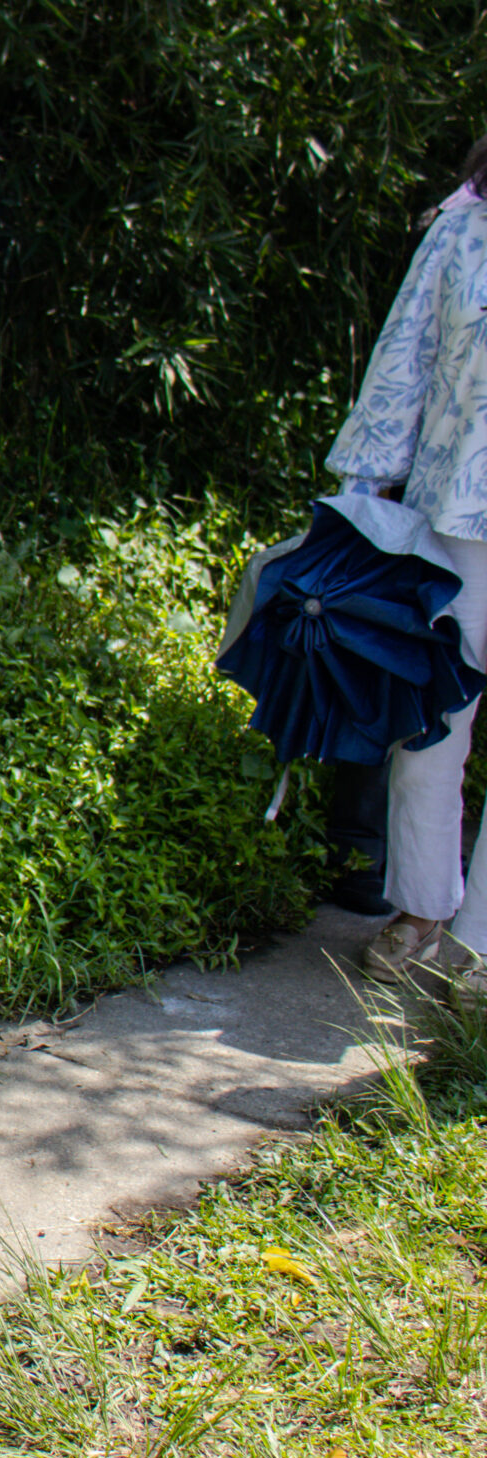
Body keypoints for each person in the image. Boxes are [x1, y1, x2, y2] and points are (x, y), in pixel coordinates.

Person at [330, 135, 487, 993]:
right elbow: (404, 362)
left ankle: (481, 948)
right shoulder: (465, 224)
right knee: (428, 732)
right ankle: (423, 909)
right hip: (455, 517)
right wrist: (363, 499)